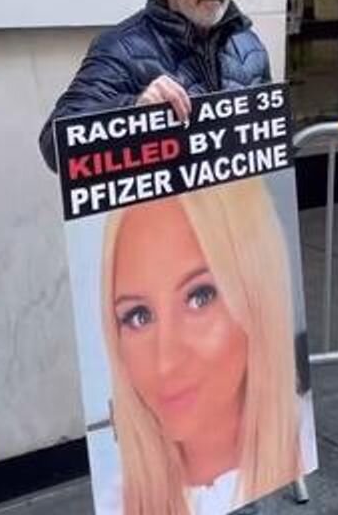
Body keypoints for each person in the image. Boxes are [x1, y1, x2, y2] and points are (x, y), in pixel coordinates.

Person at [100, 179, 311, 514]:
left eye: (200, 297)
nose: (166, 361)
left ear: (256, 293)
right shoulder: (119, 502)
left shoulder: (300, 436)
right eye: (138, 316)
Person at [38, 0, 271, 171]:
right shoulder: (120, 49)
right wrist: (133, 110)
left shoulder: (249, 46)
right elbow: (54, 146)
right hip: (165, 211)